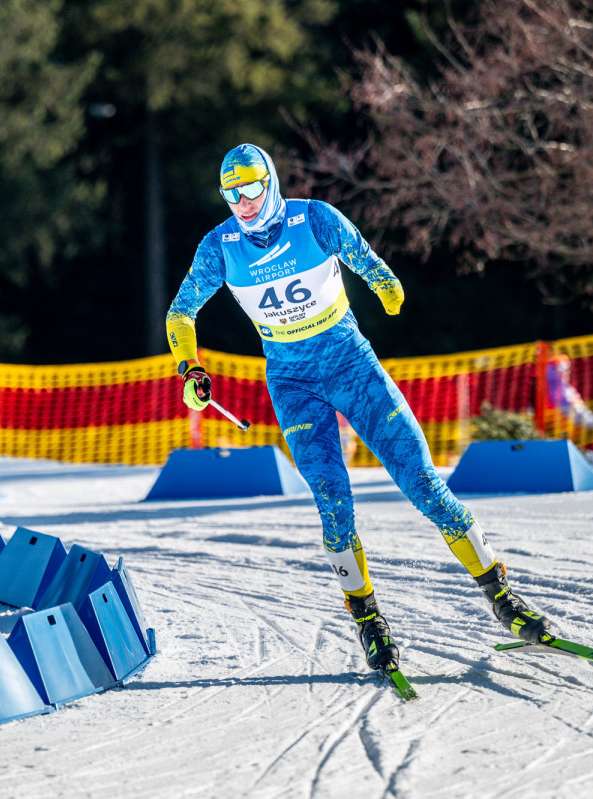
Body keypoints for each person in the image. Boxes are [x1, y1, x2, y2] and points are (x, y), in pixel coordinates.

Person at [165, 143, 551, 673]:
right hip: (293, 382)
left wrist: (386, 283)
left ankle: (502, 597)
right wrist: (191, 370)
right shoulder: (220, 246)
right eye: (232, 193)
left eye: (252, 188)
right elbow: (180, 313)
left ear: (270, 183)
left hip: (352, 366)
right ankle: (369, 622)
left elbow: (366, 258)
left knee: (423, 484)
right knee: (332, 500)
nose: (243, 202)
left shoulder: (314, 218)